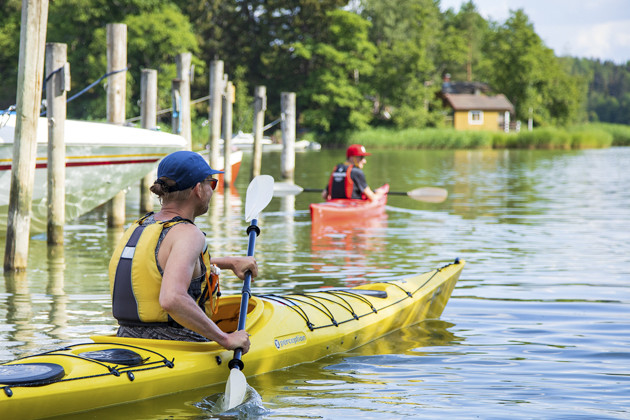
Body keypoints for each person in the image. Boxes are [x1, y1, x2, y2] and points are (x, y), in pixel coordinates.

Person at [109, 151, 257, 354]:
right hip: (178, 345)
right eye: (211, 183)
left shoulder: (140, 226)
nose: (212, 190)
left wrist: (228, 262)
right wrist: (226, 339)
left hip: (126, 341)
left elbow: (162, 265)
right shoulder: (188, 233)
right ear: (198, 189)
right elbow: (172, 299)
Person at [322, 144, 387, 201]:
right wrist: (380, 194)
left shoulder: (336, 168)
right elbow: (372, 197)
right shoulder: (356, 171)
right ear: (352, 158)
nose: (364, 161)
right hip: (352, 206)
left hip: (334, 205)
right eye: (361, 157)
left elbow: (324, 195)